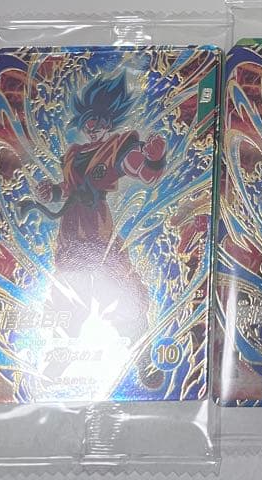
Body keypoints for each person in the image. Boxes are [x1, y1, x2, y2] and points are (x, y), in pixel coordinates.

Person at [22, 72, 167, 387]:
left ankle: (143, 358)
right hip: (71, 229)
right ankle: (58, 360)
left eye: (100, 120)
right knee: (68, 294)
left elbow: (143, 171)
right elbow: (67, 188)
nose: (93, 125)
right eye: (89, 119)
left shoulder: (117, 147)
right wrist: (51, 191)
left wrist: (154, 159)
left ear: (109, 121)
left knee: (120, 287)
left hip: (98, 228)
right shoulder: (73, 154)